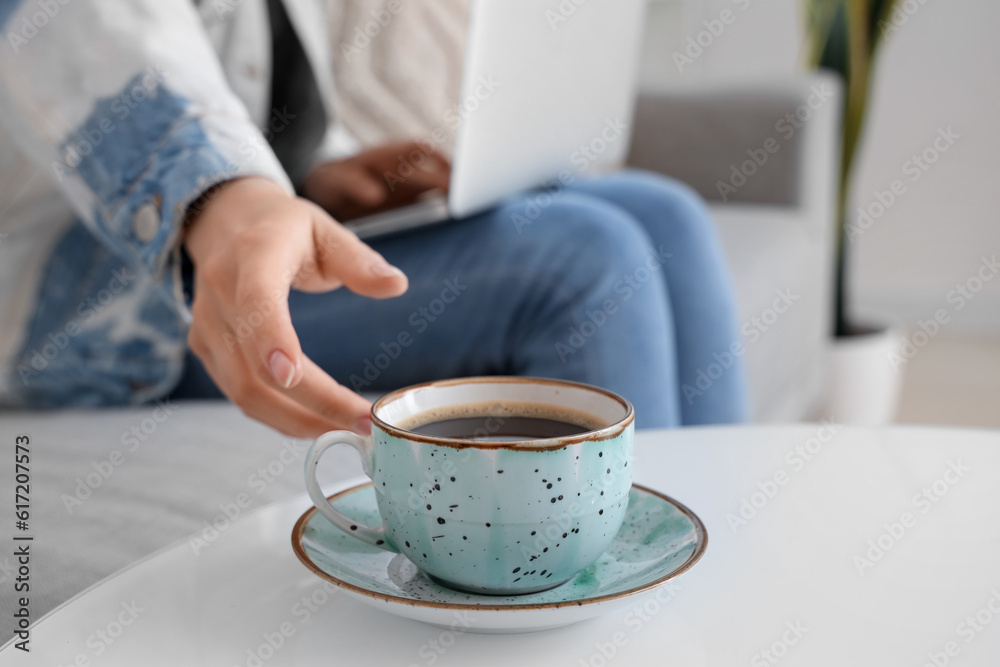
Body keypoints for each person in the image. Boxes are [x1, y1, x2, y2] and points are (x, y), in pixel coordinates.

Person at [0, 0, 748, 437]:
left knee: (666, 216)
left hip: (263, 219)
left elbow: (250, 96)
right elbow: (101, 45)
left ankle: (710, 600)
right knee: (587, 260)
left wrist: (327, 180)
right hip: (113, 313)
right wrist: (235, 200)